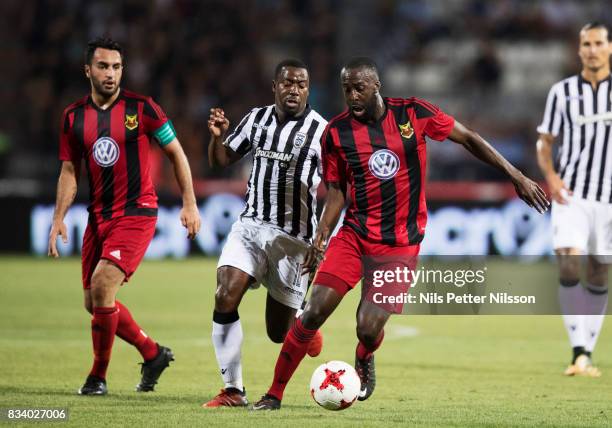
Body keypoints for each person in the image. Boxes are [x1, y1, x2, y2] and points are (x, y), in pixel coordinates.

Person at [252, 57, 549, 410]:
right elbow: (336, 191)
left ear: (377, 86)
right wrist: (321, 238)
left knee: (367, 326)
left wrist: (516, 176)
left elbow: (467, 138)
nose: (352, 96)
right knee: (313, 311)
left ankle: (364, 354)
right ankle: (274, 394)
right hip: (355, 235)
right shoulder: (337, 132)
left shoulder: (413, 113)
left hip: (400, 244)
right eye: (346, 89)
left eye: (359, 88)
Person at [48, 37, 201, 395]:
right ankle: (152, 354)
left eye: (116, 67)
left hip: (137, 212)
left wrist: (189, 203)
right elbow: (70, 170)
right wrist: (59, 216)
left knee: (102, 286)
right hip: (98, 216)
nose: (111, 73)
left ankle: (97, 377)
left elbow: (176, 153)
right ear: (88, 70)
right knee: (94, 302)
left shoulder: (143, 109)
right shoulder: (74, 117)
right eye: (103, 66)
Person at [203, 59, 326, 408]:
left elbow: (336, 186)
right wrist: (216, 140)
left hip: (294, 240)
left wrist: (322, 239)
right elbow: (223, 159)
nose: (294, 89)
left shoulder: (322, 132)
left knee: (278, 333)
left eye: (301, 84)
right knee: (225, 294)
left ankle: (304, 325)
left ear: (308, 89)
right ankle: (233, 390)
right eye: (287, 83)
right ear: (274, 86)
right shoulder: (255, 119)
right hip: (251, 226)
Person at [536, 22, 611, 377]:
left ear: (609, 47)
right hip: (572, 194)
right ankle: (578, 348)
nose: (592, 50)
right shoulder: (562, 92)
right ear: (579, 49)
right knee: (569, 264)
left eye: (598, 43)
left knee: (599, 272)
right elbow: (545, 142)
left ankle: (586, 353)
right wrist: (551, 177)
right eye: (586, 44)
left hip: (609, 199)